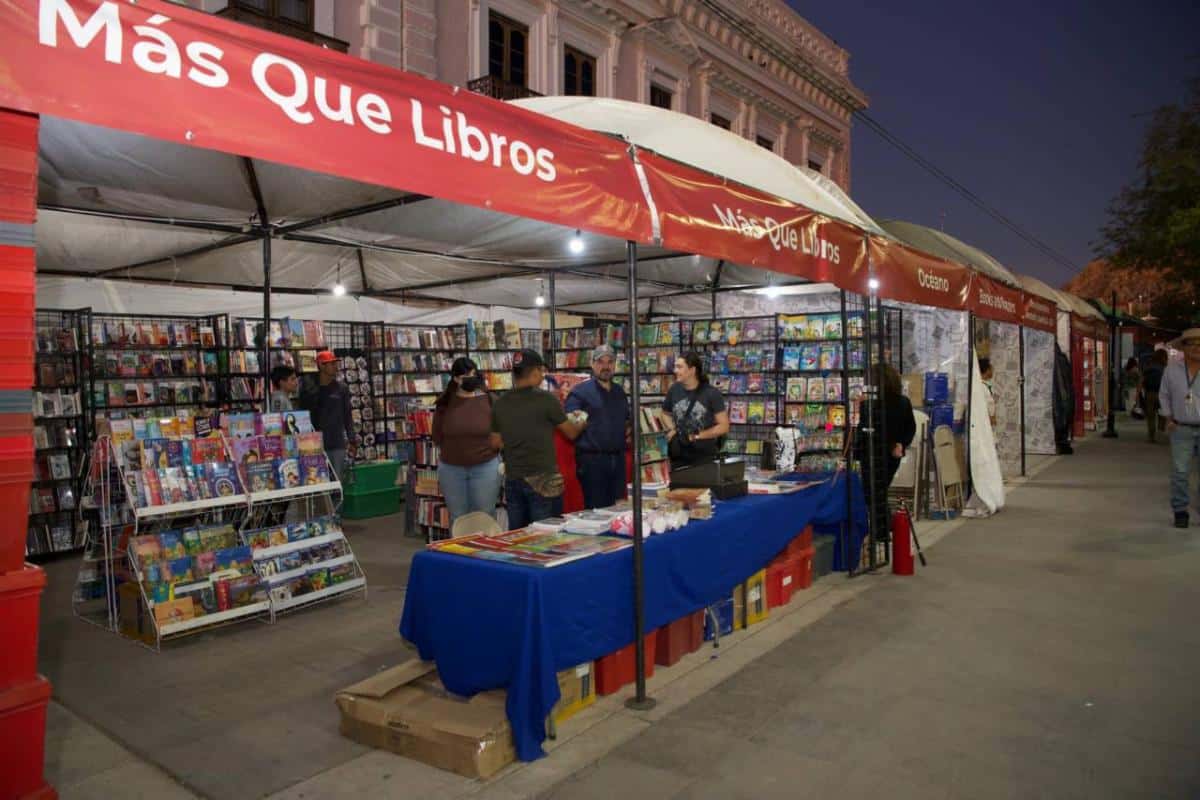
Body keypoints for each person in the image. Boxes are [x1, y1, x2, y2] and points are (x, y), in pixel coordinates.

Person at [490, 349, 586, 529]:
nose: (543, 376)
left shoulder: (500, 402)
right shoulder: (546, 399)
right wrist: (582, 420)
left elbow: (495, 443)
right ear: (534, 372)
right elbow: (571, 433)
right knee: (546, 534)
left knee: (518, 535)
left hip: (513, 478)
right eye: (541, 371)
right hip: (543, 479)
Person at [432, 357, 501, 525]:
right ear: (456, 379)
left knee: (485, 515)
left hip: (485, 466)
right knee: (458, 518)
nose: (471, 379)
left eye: (473, 375)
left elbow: (501, 432)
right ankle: (461, 544)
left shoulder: (490, 400)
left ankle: (485, 544)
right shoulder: (445, 403)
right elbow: (437, 436)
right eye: (465, 377)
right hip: (451, 469)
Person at [854, 363, 917, 542]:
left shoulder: (870, 404)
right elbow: (910, 428)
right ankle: (884, 527)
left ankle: (882, 530)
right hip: (891, 454)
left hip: (871, 453)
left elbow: (862, 428)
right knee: (879, 491)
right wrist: (901, 444)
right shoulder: (903, 402)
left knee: (873, 492)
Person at [564, 345, 631, 508]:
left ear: (615, 365)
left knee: (618, 508)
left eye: (610, 362)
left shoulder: (619, 392)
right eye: (600, 362)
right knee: (596, 510)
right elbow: (571, 424)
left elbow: (626, 421)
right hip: (592, 461)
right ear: (592, 364)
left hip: (618, 460)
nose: (606, 366)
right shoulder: (580, 392)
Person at [1159, 329, 1200, 528]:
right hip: (1181, 428)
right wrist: (1168, 418)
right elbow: (1164, 394)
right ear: (1183, 347)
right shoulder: (1172, 370)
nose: (1197, 348)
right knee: (1180, 472)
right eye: (1192, 343)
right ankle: (1180, 510)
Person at [663, 352, 730, 467]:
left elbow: (724, 426)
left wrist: (696, 436)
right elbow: (665, 413)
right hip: (678, 454)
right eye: (675, 367)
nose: (675, 370)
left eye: (679, 367)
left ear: (692, 370)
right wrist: (672, 429)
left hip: (703, 456)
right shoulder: (674, 389)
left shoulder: (711, 393)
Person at [304, 350, 353, 483]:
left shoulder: (342, 388)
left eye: (335, 363)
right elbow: (305, 417)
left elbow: (347, 415)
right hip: (314, 444)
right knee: (317, 483)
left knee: (338, 483)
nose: (336, 367)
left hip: (337, 443)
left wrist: (352, 438)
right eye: (331, 364)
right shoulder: (310, 390)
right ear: (321, 365)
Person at [1140, 349, 1168, 443]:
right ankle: (1160, 432)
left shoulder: (1148, 366)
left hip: (1150, 393)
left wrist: (1139, 393)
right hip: (1162, 394)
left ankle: (1151, 436)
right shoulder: (1165, 368)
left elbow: (1142, 380)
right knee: (1162, 414)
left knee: (1150, 416)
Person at [1053, 344, 1075, 455]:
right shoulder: (1063, 359)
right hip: (1065, 395)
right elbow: (1069, 379)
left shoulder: (1053, 360)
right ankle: (1063, 443)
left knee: (1058, 418)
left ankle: (1060, 443)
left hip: (1058, 395)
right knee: (1063, 418)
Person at [979, 357, 997, 429]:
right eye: (991, 368)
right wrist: (991, 417)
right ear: (987, 370)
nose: (992, 370)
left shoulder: (985, 385)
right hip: (984, 421)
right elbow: (989, 403)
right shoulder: (981, 387)